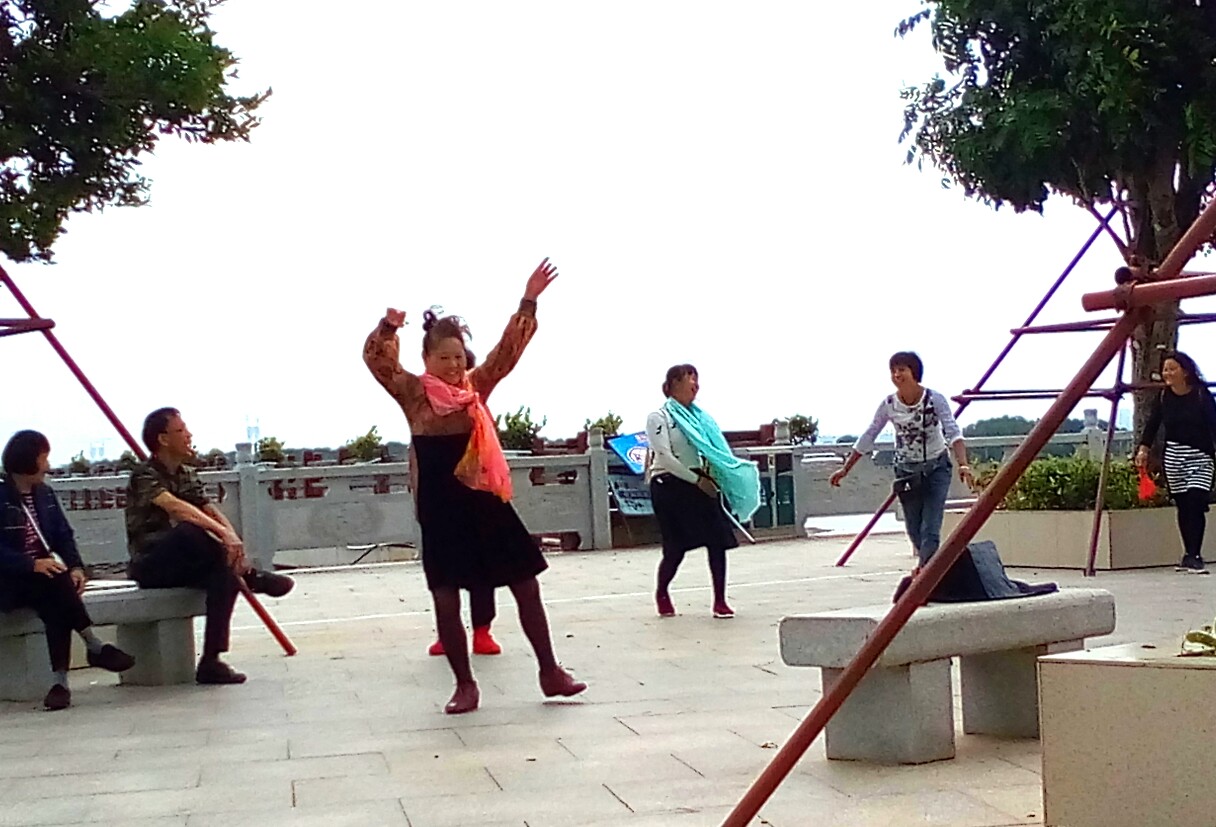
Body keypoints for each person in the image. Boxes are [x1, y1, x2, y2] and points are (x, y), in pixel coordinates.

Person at [362, 258, 586, 714]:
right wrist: (388, 327)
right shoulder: (413, 392)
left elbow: (507, 352)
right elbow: (377, 361)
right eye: (443, 357)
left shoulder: (475, 388)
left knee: (526, 583)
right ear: (426, 360)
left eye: (458, 357)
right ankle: (465, 685)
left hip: (484, 501)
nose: (452, 365)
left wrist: (529, 299)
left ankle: (550, 671)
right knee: (446, 597)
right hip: (440, 506)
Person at [125, 408, 295, 685]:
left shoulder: (186, 473)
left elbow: (208, 509)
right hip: (152, 563)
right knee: (189, 531)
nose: (189, 435)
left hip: (187, 561)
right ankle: (252, 577)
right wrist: (222, 536)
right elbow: (177, 508)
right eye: (181, 430)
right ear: (163, 439)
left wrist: (232, 538)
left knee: (224, 577)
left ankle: (211, 661)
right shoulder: (144, 475)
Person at [0, 430, 135, 709]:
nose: (48, 466)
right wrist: (31, 563)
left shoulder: (45, 495)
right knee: (57, 588)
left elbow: (63, 534)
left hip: (42, 578)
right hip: (9, 580)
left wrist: (76, 567)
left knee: (58, 594)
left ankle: (61, 683)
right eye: (43, 459)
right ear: (28, 460)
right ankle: (92, 646)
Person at [830, 351, 973, 568]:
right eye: (893, 371)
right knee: (914, 529)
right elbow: (870, 434)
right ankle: (931, 570)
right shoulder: (889, 404)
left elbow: (953, 431)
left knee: (930, 528)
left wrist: (963, 464)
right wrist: (845, 469)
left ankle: (925, 575)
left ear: (914, 372)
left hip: (936, 468)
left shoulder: (934, 399)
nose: (897, 375)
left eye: (902, 370)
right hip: (906, 472)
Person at [645, 364, 760, 618]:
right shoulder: (659, 417)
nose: (695, 385)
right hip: (669, 484)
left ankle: (720, 600)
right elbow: (664, 457)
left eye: (697, 380)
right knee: (675, 548)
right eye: (690, 379)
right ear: (674, 384)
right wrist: (695, 480)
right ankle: (662, 591)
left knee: (717, 539)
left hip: (700, 481)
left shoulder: (700, 419)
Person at [1136, 350, 1216, 574]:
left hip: (1201, 456)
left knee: (1196, 500)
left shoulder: (1201, 395)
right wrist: (1144, 449)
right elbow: (1152, 425)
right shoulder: (1164, 397)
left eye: (1172, 368)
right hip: (1173, 457)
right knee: (1183, 504)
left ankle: (1196, 554)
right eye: (1165, 369)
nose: (1167, 373)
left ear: (1186, 371)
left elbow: (1214, 424)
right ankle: (1188, 554)